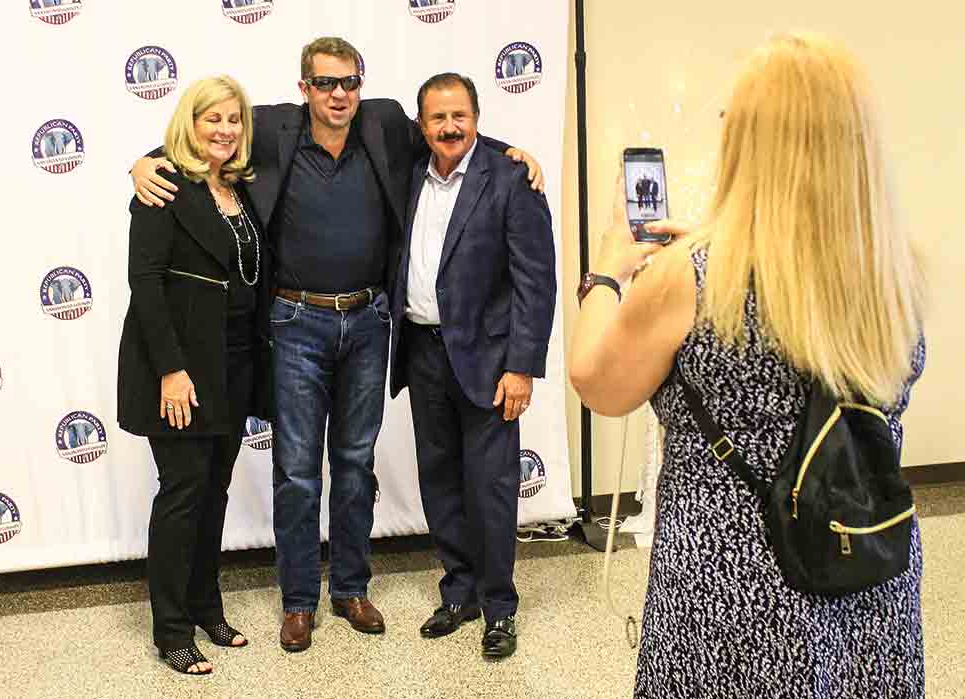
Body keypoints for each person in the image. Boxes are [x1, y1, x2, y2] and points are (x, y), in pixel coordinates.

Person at [130, 37, 543, 654]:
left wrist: (517, 156)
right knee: (296, 471)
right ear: (304, 89)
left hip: (370, 323)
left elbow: (458, 137)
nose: (339, 94)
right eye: (326, 83)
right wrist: (141, 161)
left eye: (350, 81)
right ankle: (298, 602)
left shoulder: (383, 124)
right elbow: (203, 133)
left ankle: (350, 588)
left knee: (355, 464)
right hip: (296, 323)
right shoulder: (270, 130)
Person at [569, 33, 927, 698]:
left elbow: (597, 378)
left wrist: (609, 274)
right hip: (868, 572)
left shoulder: (689, 279)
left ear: (757, 144)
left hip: (736, 592)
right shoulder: (893, 270)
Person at [389, 73, 555, 660]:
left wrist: (523, 367)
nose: (450, 127)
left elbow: (536, 281)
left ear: (478, 116)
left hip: (489, 361)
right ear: (422, 124)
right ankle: (457, 591)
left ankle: (499, 607)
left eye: (459, 115)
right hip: (422, 352)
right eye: (437, 118)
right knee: (439, 481)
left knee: (490, 487)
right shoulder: (407, 171)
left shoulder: (511, 176)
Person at [117, 75, 274, 675]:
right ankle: (172, 629)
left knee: (214, 494)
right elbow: (146, 284)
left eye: (234, 120)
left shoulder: (240, 185)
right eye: (212, 119)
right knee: (183, 495)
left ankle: (208, 607)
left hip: (234, 364)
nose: (225, 130)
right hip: (182, 368)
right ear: (190, 122)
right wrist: (172, 371)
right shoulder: (161, 182)